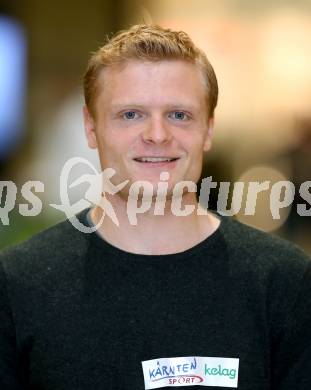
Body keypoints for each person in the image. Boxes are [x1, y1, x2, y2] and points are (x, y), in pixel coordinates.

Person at [0, 24, 310, 390]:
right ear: (90, 127)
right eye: (131, 114)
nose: (157, 135)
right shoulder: (18, 283)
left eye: (179, 115)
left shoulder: (284, 283)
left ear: (208, 129)